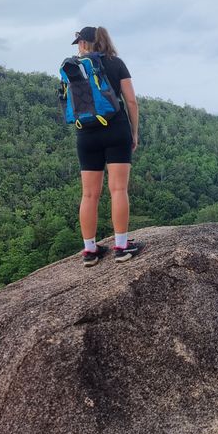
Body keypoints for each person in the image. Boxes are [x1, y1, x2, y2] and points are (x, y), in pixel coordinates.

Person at [70, 26, 142, 266]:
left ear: (83, 43)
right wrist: (134, 132)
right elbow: (131, 101)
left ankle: (90, 251)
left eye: (79, 42)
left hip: (86, 135)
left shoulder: (75, 67)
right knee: (118, 190)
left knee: (89, 194)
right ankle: (121, 247)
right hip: (115, 129)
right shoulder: (116, 63)